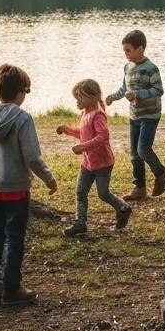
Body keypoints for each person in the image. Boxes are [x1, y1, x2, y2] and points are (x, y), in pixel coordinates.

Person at [0, 63, 58, 305]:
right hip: (16, 188)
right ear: (19, 92)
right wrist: (49, 179)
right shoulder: (22, 118)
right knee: (15, 237)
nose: (25, 96)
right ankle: (11, 289)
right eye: (26, 91)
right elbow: (32, 157)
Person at [57, 78, 132, 237]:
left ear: (92, 97)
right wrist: (67, 130)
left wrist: (82, 147)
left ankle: (123, 208)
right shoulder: (85, 113)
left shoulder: (98, 115)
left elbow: (102, 136)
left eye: (79, 97)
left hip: (103, 163)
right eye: (76, 97)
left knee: (103, 193)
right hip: (87, 163)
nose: (77, 101)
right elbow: (83, 133)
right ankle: (80, 223)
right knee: (80, 192)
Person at [105, 29, 165, 201]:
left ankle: (161, 173)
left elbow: (158, 90)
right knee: (134, 153)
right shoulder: (127, 67)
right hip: (134, 115)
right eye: (124, 50)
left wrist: (138, 94)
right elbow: (124, 88)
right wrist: (113, 97)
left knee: (143, 149)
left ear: (140, 49)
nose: (126, 54)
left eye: (128, 50)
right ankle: (139, 188)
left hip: (150, 115)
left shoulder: (151, 68)